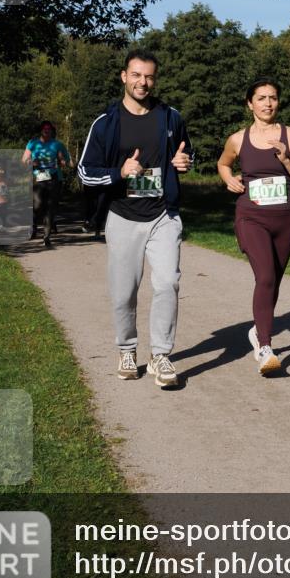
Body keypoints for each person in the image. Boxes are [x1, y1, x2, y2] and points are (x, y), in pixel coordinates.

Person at [78, 50, 193, 388]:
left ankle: (161, 355)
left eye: (149, 76)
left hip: (163, 214)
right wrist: (120, 172)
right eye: (137, 75)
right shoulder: (106, 122)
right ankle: (127, 349)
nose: (143, 82)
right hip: (123, 215)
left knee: (167, 282)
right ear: (124, 76)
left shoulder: (170, 116)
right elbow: (85, 171)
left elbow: (188, 151)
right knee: (124, 291)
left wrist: (184, 162)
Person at [217, 80, 290, 375]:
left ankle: (258, 331)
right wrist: (228, 179)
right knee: (266, 276)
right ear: (250, 104)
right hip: (251, 217)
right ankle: (266, 347)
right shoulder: (237, 139)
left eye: (273, 98)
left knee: (273, 282)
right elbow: (223, 164)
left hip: (285, 218)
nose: (268, 103)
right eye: (261, 98)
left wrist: (285, 160)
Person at [22, 121, 71, 247]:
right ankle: (33, 227)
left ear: (52, 131)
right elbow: (24, 160)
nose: (47, 130)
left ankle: (46, 236)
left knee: (50, 207)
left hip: (54, 178)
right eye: (44, 128)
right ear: (41, 130)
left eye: (49, 128)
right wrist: (32, 162)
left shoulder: (57, 144)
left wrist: (62, 161)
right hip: (37, 178)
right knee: (37, 205)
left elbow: (67, 161)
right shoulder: (32, 143)